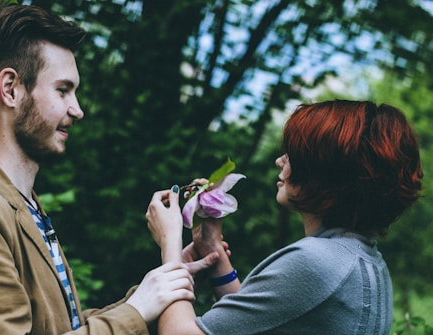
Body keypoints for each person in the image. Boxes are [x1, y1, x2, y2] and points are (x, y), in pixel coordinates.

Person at [0, 5, 217, 334]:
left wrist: (164, 284)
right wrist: (140, 307)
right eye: (63, 90)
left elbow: (62, 327)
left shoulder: (22, 206)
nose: (77, 110)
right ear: (10, 89)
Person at [146, 100, 423, 335]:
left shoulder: (316, 262)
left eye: (295, 153)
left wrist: (170, 244)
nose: (280, 160)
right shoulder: (367, 262)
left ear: (325, 172)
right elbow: (253, 320)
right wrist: (213, 250)